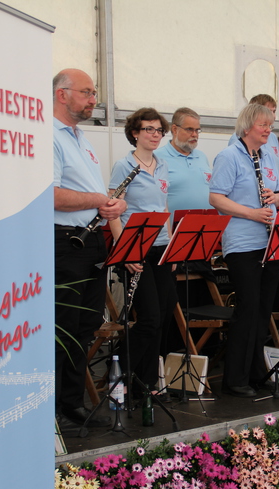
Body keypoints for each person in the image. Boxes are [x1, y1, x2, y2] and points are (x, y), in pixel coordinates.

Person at [53, 68, 126, 427]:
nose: (93, 99)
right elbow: (50, 195)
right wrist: (99, 200)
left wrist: (114, 204)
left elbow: (95, 193)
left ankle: (72, 403)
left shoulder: (81, 138)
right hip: (66, 240)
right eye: (86, 92)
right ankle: (56, 408)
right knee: (63, 327)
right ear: (62, 94)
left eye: (94, 93)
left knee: (84, 327)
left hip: (93, 239)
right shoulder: (48, 135)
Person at [209, 103, 279, 397]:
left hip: (270, 241)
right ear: (247, 126)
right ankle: (235, 379)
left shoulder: (268, 156)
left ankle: (256, 372)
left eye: (270, 125)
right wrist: (251, 213)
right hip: (242, 243)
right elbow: (216, 198)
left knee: (264, 310)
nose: (268, 130)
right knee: (248, 307)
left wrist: (275, 198)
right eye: (263, 125)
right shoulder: (229, 156)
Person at [107, 108, 177, 394]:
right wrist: (126, 252)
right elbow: (113, 211)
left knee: (163, 316)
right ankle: (119, 374)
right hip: (135, 249)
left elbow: (163, 207)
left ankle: (146, 384)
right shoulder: (123, 165)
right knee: (148, 319)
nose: (155, 135)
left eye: (159, 130)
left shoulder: (162, 165)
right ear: (135, 133)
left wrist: (171, 246)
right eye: (149, 129)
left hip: (161, 246)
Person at [153, 107, 212, 213]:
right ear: (175, 129)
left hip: (207, 222)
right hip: (173, 223)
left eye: (197, 130)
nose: (194, 134)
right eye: (189, 129)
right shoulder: (157, 158)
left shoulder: (202, 157)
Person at [228, 94, 279, 171]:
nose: (273, 116)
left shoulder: (273, 137)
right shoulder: (237, 137)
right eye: (269, 111)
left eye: (274, 111)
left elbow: (276, 169)